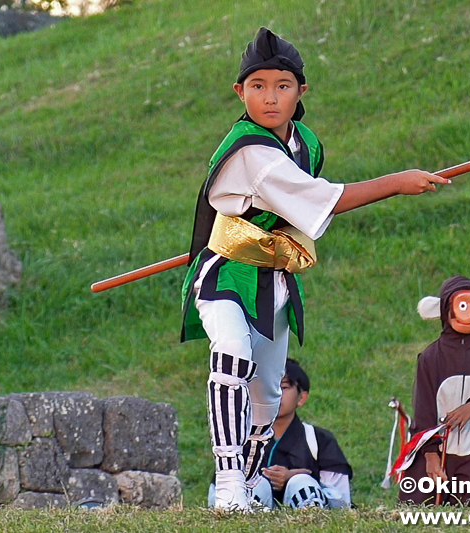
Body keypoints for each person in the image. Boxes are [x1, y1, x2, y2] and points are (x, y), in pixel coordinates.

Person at [182, 27, 449, 511]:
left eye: (282, 86)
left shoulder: (304, 141)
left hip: (275, 277)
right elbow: (329, 199)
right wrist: (397, 182)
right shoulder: (252, 152)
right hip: (228, 271)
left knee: (265, 388)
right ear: (239, 93)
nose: (269, 97)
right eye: (257, 86)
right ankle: (227, 486)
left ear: (301, 92)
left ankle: (246, 480)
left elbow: (300, 210)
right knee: (232, 353)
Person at [396, 275, 470, 506]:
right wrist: (430, 455)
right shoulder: (431, 357)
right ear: (447, 310)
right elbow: (424, 410)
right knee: (425, 505)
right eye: (464, 305)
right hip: (439, 449)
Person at [209, 358, 353, 509]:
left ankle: (310, 516)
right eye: (268, 386)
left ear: (302, 397)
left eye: (283, 387)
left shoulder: (320, 440)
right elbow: (217, 496)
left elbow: (341, 500)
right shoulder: (240, 440)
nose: (275, 393)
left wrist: (299, 478)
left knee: (302, 482)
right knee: (257, 484)